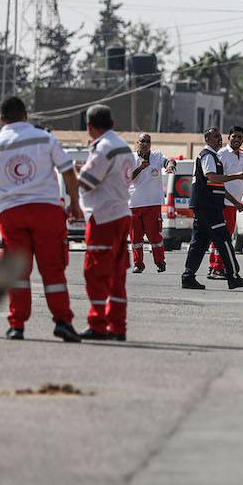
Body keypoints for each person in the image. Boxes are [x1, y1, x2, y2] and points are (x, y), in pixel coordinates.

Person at [0, 96, 84, 342]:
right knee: (53, 270)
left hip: (12, 214)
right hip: (46, 210)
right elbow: (67, 170)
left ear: (2, 119)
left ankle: (17, 325)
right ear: (25, 115)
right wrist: (74, 203)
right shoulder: (44, 138)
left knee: (17, 273)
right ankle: (63, 322)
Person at [75, 105, 136, 341]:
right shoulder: (123, 146)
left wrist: (72, 174)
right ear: (112, 123)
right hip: (121, 213)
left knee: (95, 273)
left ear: (89, 127)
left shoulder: (103, 148)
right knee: (117, 275)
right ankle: (117, 326)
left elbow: (88, 182)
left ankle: (98, 323)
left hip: (103, 217)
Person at [181, 127, 243, 291]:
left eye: (219, 136)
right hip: (208, 207)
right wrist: (236, 176)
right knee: (224, 239)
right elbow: (211, 177)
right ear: (206, 139)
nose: (218, 139)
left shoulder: (214, 156)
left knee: (199, 243)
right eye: (215, 137)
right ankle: (233, 276)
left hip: (206, 206)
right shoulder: (208, 156)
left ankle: (188, 277)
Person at [208, 125, 243, 279]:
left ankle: (217, 266)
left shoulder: (242, 155)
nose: (236, 139)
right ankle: (216, 268)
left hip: (232, 206)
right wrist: (235, 202)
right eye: (234, 136)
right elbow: (218, 183)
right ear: (228, 138)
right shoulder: (222, 155)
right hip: (222, 203)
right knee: (222, 237)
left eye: (239, 137)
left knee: (225, 237)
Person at [128, 132, 171, 273]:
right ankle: (138, 264)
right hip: (134, 204)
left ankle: (160, 262)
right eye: (142, 141)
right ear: (137, 143)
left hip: (152, 203)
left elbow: (168, 162)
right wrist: (140, 168)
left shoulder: (157, 156)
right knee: (136, 237)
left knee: (155, 236)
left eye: (148, 141)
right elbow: (127, 178)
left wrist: (170, 166)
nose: (145, 143)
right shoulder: (130, 159)